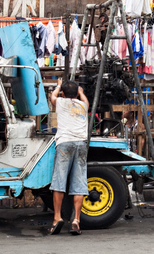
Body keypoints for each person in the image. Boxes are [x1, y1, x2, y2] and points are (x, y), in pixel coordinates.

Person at [48, 80, 89, 236]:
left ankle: (57, 218)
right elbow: (86, 100)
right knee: (79, 182)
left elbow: (52, 97)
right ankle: (76, 220)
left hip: (65, 143)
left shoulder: (61, 102)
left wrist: (58, 85)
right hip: (81, 143)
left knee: (59, 181)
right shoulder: (82, 105)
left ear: (63, 93)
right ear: (77, 92)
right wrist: (81, 92)